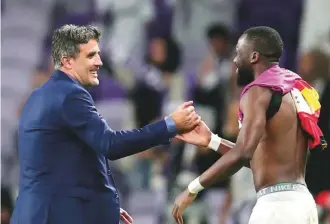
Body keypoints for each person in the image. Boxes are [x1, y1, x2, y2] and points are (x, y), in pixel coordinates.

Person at [10, 24, 201, 224]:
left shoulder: (38, 97)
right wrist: (170, 124)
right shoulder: (70, 96)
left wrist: (98, 204)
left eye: (98, 55)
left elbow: (61, 164)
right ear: (67, 61)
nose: (99, 62)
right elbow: (110, 144)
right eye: (91, 55)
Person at [172, 26, 327, 224]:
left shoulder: (258, 91)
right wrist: (212, 141)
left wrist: (192, 188)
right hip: (302, 204)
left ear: (253, 56)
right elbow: (257, 159)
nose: (235, 61)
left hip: (276, 208)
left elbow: (243, 153)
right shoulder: (293, 89)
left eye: (238, 53)